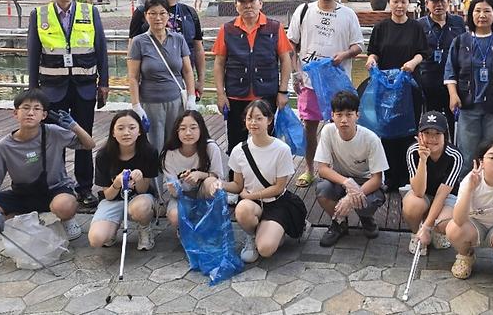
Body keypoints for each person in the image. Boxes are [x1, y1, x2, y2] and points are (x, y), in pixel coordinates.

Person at [0, 89, 95, 241]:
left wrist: (74, 126)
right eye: (25, 108)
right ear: (15, 113)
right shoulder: (5, 146)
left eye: (36, 109)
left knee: (63, 205)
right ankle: (24, 219)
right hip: (22, 194)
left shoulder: (53, 132)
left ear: (44, 115)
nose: (30, 113)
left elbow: (89, 144)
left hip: (55, 190)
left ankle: (67, 221)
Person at [28, 0, 109, 208]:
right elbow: (33, 54)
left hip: (84, 86)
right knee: (54, 139)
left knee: (84, 138)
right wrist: (33, 92)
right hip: (51, 89)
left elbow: (101, 49)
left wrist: (104, 83)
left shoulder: (90, 11)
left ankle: (84, 187)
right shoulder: (40, 14)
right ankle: (58, 185)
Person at [287, 0, 364, 188]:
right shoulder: (303, 11)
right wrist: (295, 72)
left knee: (342, 127)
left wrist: (345, 55)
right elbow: (291, 43)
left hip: (337, 84)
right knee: (309, 127)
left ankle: (339, 171)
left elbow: (358, 45)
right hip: (309, 82)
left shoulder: (348, 14)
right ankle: (310, 169)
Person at [213, 0, 292, 184]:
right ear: (236, 5)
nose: (247, 6)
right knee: (236, 142)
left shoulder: (275, 27)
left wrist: (283, 90)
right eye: (242, 2)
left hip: (265, 95)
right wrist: (220, 94)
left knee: (266, 141)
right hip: (236, 95)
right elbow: (219, 62)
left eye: (252, 1)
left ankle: (268, 182)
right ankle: (235, 183)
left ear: (260, 3)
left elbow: (285, 59)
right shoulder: (227, 29)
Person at [220, 100, 307, 263]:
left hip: (276, 202)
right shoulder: (239, 150)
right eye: (249, 118)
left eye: (259, 118)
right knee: (242, 209)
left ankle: (274, 230)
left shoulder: (282, 149)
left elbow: (279, 187)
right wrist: (220, 184)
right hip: (252, 204)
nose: (253, 123)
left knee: (266, 249)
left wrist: (251, 196)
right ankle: (252, 236)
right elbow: (238, 185)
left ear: (269, 120)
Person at [366, 0, 429, 190]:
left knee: (408, 130)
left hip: (409, 87)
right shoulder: (381, 28)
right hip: (385, 89)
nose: (400, 5)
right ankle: (389, 177)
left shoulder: (416, 27)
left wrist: (412, 62)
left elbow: (423, 52)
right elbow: (373, 52)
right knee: (385, 130)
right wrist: (371, 60)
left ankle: (407, 177)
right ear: (389, 3)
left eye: (403, 1)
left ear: (408, 3)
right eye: (396, 1)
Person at [446, 0, 493, 169]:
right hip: (468, 104)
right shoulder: (460, 41)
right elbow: (450, 72)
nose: (482, 15)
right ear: (471, 14)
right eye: (477, 10)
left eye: (487, 11)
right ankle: (466, 190)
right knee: (467, 152)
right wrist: (453, 95)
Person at [315, 91, 389, 246]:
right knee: (322, 189)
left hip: (366, 182)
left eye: (349, 115)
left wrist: (352, 196)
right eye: (339, 114)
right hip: (341, 179)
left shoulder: (371, 139)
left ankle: (366, 218)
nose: (344, 120)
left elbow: (377, 179)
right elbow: (322, 169)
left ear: (357, 115)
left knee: (366, 203)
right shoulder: (328, 131)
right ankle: (339, 223)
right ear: (332, 115)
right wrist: (347, 182)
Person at [446, 138, 493, 280]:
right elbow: (458, 219)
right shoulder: (470, 180)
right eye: (492, 157)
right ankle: (465, 256)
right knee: (453, 229)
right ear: (480, 162)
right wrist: (470, 190)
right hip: (475, 225)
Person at [128, 0, 197, 155]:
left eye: (162, 13)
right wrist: (136, 106)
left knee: (177, 144)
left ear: (168, 15)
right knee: (154, 147)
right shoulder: (139, 42)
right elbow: (132, 77)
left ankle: (177, 179)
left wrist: (192, 98)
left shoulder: (178, 39)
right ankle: (155, 180)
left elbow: (187, 70)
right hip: (151, 103)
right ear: (146, 15)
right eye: (152, 13)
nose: (157, 18)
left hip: (176, 102)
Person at [129, 0, 206, 101]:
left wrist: (200, 80)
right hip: (152, 87)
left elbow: (198, 49)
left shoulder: (190, 13)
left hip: (184, 82)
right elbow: (132, 53)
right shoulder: (142, 13)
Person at [87, 110, 159, 250]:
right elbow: (108, 195)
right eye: (120, 128)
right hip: (113, 200)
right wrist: (117, 183)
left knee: (140, 208)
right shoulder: (103, 155)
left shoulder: (149, 152)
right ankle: (111, 230)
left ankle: (144, 228)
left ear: (139, 131)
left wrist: (140, 177)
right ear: (113, 132)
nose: (126, 133)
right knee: (96, 240)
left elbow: (143, 190)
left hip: (138, 199)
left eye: (132, 128)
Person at [403, 111, 463, 256]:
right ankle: (416, 233)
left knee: (444, 223)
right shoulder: (412, 151)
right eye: (427, 133)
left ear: (445, 135)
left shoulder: (455, 156)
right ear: (420, 135)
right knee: (412, 204)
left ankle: (432, 230)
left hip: (446, 197)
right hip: (423, 194)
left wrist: (428, 226)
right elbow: (418, 192)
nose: (432, 138)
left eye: (437, 133)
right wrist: (423, 160)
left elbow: (442, 195)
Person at [161, 110, 225, 228]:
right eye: (183, 128)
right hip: (182, 195)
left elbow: (219, 178)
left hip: (203, 193)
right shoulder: (170, 154)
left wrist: (200, 175)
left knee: (212, 183)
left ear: (201, 129)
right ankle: (184, 230)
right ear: (177, 131)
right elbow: (174, 192)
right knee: (175, 216)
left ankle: (210, 221)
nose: (188, 133)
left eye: (193, 128)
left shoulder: (210, 148)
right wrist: (175, 188)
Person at [417, 0, 466, 137]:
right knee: (432, 123)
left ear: (448, 1)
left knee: (454, 122)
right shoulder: (420, 25)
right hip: (429, 83)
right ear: (427, 3)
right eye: (434, 1)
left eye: (442, 0)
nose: (438, 5)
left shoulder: (458, 22)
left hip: (453, 83)